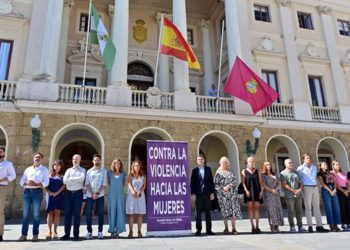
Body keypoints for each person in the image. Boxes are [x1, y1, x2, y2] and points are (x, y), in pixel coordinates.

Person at [18, 152, 49, 241]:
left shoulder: (44, 170)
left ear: (41, 159)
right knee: (25, 215)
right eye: (36, 157)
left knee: (36, 215)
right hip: (27, 192)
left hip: (37, 192)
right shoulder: (28, 169)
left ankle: (35, 235)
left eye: (39, 157)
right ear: (33, 158)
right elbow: (21, 181)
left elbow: (46, 182)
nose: (37, 158)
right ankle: (24, 235)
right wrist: (26, 182)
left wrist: (36, 183)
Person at [297, 153, 329, 233]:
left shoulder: (314, 167)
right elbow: (299, 180)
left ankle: (319, 226)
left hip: (315, 187)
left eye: (309, 158)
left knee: (317, 208)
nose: (309, 159)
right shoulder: (300, 168)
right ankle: (310, 226)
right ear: (303, 159)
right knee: (308, 208)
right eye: (307, 158)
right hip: (306, 188)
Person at [61, 154, 86, 241]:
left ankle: (76, 235)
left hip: (78, 194)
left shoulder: (83, 170)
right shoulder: (68, 170)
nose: (75, 161)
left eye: (77, 159)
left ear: (80, 160)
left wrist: (70, 180)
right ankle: (67, 234)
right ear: (72, 160)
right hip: (68, 194)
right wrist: (75, 180)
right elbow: (64, 180)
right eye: (74, 159)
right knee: (67, 214)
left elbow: (82, 178)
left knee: (77, 215)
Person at [214, 156, 242, 235]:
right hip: (223, 196)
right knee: (225, 213)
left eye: (226, 162)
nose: (224, 164)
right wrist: (223, 188)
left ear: (228, 163)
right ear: (220, 163)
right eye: (223, 162)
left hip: (232, 195)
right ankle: (226, 228)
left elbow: (235, 182)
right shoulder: (218, 173)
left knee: (233, 212)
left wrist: (229, 186)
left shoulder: (231, 172)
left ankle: (234, 228)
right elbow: (216, 184)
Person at [190, 154, 215, 236]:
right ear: (197, 161)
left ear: (204, 160)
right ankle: (198, 230)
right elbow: (192, 183)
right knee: (198, 213)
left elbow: (211, 182)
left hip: (207, 194)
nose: (200, 160)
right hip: (198, 194)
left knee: (208, 212)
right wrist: (192, 194)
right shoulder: (194, 170)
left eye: (201, 159)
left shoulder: (208, 169)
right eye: (198, 159)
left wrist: (212, 193)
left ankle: (209, 230)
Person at [280, 159, 307, 233]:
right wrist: (293, 191)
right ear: (285, 164)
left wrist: (299, 190)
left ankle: (300, 226)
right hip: (289, 196)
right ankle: (292, 227)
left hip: (298, 195)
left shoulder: (296, 173)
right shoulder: (283, 173)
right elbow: (284, 184)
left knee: (299, 211)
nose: (291, 164)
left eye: (291, 163)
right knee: (291, 211)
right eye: (289, 163)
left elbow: (301, 183)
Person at [84, 154, 107, 240]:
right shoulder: (89, 171)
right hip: (90, 196)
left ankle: (100, 232)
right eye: (95, 160)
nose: (97, 161)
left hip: (100, 196)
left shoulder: (104, 171)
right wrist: (92, 193)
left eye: (98, 160)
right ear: (92, 161)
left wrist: (97, 193)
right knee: (88, 214)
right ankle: (89, 232)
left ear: (100, 161)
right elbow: (87, 184)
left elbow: (104, 184)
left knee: (101, 214)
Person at [317, 162, 341, 232]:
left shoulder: (330, 173)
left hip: (333, 189)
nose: (326, 165)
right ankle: (331, 225)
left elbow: (335, 182)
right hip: (326, 190)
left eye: (326, 164)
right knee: (329, 208)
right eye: (324, 164)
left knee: (336, 208)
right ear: (320, 166)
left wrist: (335, 189)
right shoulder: (319, 174)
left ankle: (336, 224)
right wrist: (330, 191)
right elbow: (322, 183)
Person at [242, 156, 263, 234]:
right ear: (247, 162)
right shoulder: (244, 171)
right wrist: (246, 191)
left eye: (253, 161)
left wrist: (261, 191)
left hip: (257, 191)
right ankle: (252, 227)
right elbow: (243, 183)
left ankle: (257, 226)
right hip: (248, 192)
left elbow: (261, 182)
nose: (251, 162)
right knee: (250, 209)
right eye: (250, 161)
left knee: (257, 209)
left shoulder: (258, 171)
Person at [261, 162, 284, 233]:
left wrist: (276, 189)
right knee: (271, 210)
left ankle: (277, 226)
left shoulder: (274, 174)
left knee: (277, 208)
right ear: (264, 166)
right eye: (267, 165)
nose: (269, 166)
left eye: (270, 164)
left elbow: (279, 183)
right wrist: (271, 190)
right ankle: (272, 226)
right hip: (268, 194)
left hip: (276, 194)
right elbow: (263, 185)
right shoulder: (263, 175)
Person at [126, 160, 146, 238]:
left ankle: (139, 231)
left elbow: (144, 185)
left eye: (138, 165)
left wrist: (140, 192)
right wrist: (133, 191)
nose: (137, 167)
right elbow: (129, 184)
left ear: (140, 167)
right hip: (132, 196)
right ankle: (130, 231)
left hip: (140, 196)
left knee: (140, 214)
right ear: (133, 167)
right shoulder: (130, 175)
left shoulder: (143, 176)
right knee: (131, 214)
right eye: (135, 165)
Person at [45, 160, 65, 240]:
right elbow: (45, 185)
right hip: (50, 196)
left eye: (59, 165)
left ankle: (55, 231)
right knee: (50, 213)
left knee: (57, 213)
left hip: (59, 195)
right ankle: (49, 231)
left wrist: (57, 192)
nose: (57, 166)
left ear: (61, 167)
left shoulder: (62, 176)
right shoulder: (49, 175)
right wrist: (49, 192)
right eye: (55, 165)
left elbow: (64, 185)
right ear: (53, 166)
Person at [0, 146, 16, 242]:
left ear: (3, 153)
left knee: (0, 211)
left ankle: (0, 233)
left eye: (1, 152)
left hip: (2, 187)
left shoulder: (8, 164)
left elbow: (13, 175)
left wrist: (3, 179)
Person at [108, 159, 127, 238]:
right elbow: (109, 183)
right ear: (113, 164)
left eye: (118, 163)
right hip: (112, 195)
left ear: (120, 164)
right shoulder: (109, 173)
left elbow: (123, 184)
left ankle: (118, 231)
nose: (117, 164)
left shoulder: (123, 174)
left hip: (120, 195)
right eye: (115, 163)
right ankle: (112, 230)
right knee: (112, 212)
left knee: (120, 212)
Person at [331, 160, 350, 230]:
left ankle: (348, 223)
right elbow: (336, 184)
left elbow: (348, 183)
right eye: (336, 164)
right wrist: (343, 191)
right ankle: (343, 223)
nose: (338, 166)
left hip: (346, 191)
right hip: (339, 191)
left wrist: (347, 190)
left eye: (338, 164)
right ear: (333, 166)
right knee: (342, 207)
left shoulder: (343, 173)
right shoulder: (332, 173)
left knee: (348, 207)